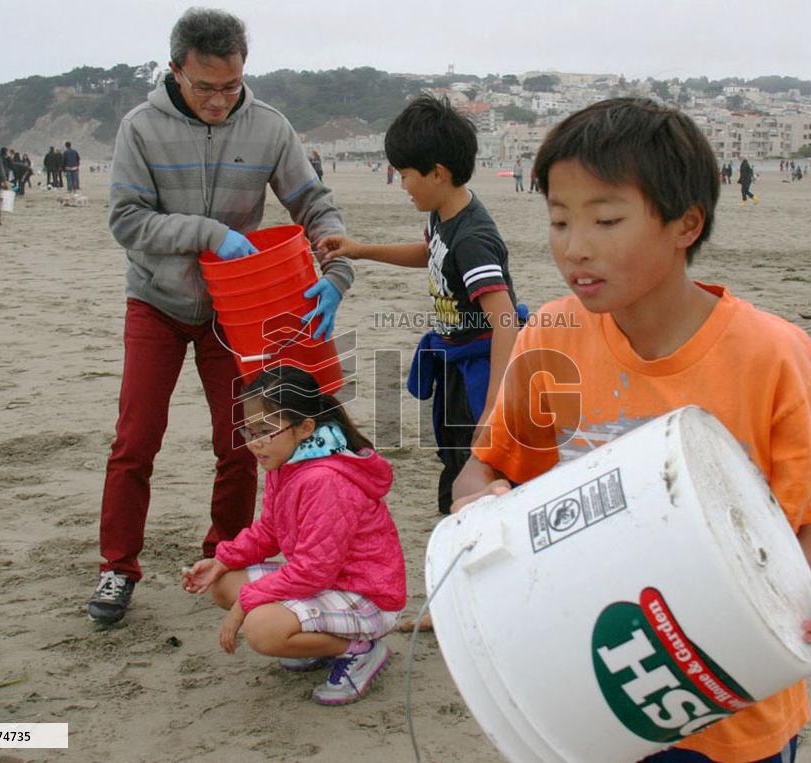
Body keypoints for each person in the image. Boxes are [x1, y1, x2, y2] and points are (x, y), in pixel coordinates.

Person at [452, 97, 811, 763]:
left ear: (685, 224)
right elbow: (486, 469)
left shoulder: (774, 356)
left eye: (606, 219)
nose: (574, 246)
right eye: (559, 219)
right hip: (591, 680)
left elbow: (801, 522)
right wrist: (476, 508)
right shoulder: (551, 335)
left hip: (730, 697)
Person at [89, 7, 354, 625]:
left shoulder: (268, 126)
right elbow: (125, 220)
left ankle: (226, 558)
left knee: (241, 441)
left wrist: (337, 273)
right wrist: (207, 232)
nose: (219, 99)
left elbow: (314, 202)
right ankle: (116, 569)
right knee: (135, 440)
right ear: (176, 70)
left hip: (233, 312)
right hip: (154, 302)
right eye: (205, 86)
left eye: (231, 85)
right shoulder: (139, 128)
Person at [320, 94, 523, 514]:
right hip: (454, 359)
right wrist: (359, 250)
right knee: (452, 459)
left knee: (481, 473)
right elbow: (430, 254)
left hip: (483, 367)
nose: (401, 183)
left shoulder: (472, 240)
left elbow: (505, 321)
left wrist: (492, 407)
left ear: (437, 173)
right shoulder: (443, 215)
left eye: (405, 174)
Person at [181, 366, 405, 705]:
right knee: (224, 582)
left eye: (266, 431)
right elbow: (270, 531)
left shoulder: (324, 479)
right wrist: (222, 560)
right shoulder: (286, 460)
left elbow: (313, 571)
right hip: (328, 582)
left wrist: (248, 601)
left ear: (305, 427)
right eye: (249, 431)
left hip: (367, 595)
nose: (255, 443)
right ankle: (319, 640)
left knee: (261, 628)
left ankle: (360, 650)